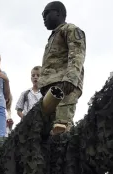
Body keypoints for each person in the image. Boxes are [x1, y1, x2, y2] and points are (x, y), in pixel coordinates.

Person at [39, 1, 86, 135]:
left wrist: (70, 80)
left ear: (58, 13)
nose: (44, 17)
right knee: (49, 130)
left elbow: (77, 54)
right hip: (51, 89)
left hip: (64, 86)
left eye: (46, 13)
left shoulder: (70, 29)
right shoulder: (53, 37)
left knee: (61, 126)